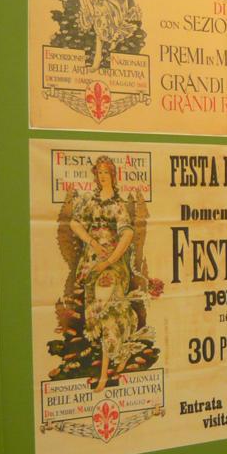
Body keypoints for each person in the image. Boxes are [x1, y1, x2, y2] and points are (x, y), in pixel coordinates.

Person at [63, 157, 139, 392]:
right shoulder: (90, 201)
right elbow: (75, 223)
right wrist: (92, 243)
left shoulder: (119, 205)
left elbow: (127, 235)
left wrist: (108, 260)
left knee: (108, 316)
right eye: (99, 172)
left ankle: (104, 374)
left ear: (113, 175)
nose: (102, 176)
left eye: (106, 172)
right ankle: (119, 356)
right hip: (91, 264)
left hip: (112, 265)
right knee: (98, 315)